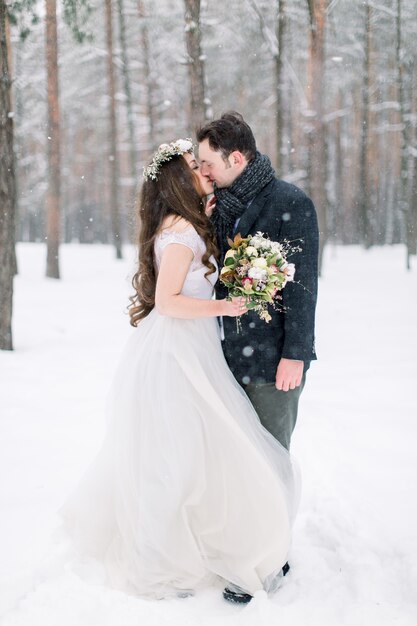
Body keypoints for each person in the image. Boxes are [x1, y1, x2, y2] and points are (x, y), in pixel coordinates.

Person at [60, 139, 300, 604]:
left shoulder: (190, 223)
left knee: (197, 451)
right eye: (195, 165)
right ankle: (168, 554)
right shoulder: (178, 231)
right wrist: (227, 303)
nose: (204, 170)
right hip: (176, 354)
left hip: (194, 346)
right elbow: (168, 301)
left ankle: (208, 537)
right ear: (178, 178)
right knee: (179, 455)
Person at [197, 112, 319, 451]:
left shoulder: (291, 203)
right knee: (232, 464)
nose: (202, 171)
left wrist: (295, 354)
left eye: (207, 163)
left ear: (235, 158)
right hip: (220, 360)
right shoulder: (212, 207)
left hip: (271, 364)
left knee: (271, 458)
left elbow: (303, 286)